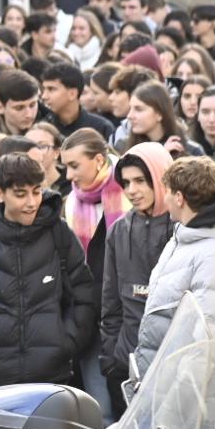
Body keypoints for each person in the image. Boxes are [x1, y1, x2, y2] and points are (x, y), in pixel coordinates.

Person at [0, 153, 100, 390]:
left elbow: (83, 295)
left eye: (36, 191)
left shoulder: (59, 234)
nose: (32, 202)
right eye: (21, 194)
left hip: (53, 378)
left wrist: (66, 343)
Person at [133, 157, 215, 373]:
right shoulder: (186, 239)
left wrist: (176, 400)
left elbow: (206, 347)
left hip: (189, 400)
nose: (165, 198)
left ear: (179, 197)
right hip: (162, 389)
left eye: (168, 191)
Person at [98, 141, 173, 408]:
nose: (132, 190)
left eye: (141, 180)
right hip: (126, 363)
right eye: (127, 182)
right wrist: (111, 357)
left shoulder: (183, 228)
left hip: (172, 365)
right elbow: (111, 301)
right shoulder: (119, 230)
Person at [60, 129, 128, 412]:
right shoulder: (70, 202)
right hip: (89, 316)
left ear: (99, 160)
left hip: (127, 316)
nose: (68, 176)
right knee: (101, 411)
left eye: (74, 166)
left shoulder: (130, 193)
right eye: (65, 167)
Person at [124, 81, 200, 157]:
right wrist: (161, 154)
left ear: (159, 114)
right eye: (130, 108)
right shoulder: (125, 146)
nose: (130, 116)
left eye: (138, 109)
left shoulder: (192, 151)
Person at [41, 62, 111, 138]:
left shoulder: (101, 128)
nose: (44, 96)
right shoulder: (42, 129)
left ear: (72, 94)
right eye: (44, 89)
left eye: (51, 89)